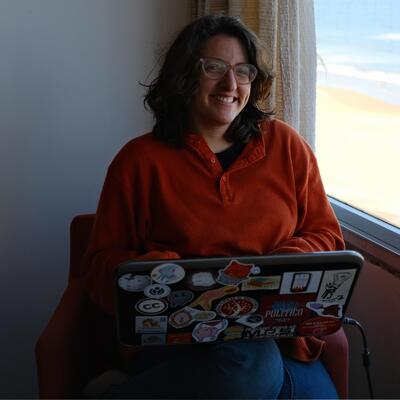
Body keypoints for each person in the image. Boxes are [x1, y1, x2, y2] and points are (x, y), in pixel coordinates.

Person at [84, 15, 344, 399]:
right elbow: (97, 267)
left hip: (278, 335)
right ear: (184, 75)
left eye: (243, 71)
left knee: (261, 369)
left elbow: (327, 236)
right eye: (215, 68)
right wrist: (162, 271)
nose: (230, 84)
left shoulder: (287, 147)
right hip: (176, 342)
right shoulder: (137, 161)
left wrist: (286, 262)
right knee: (251, 369)